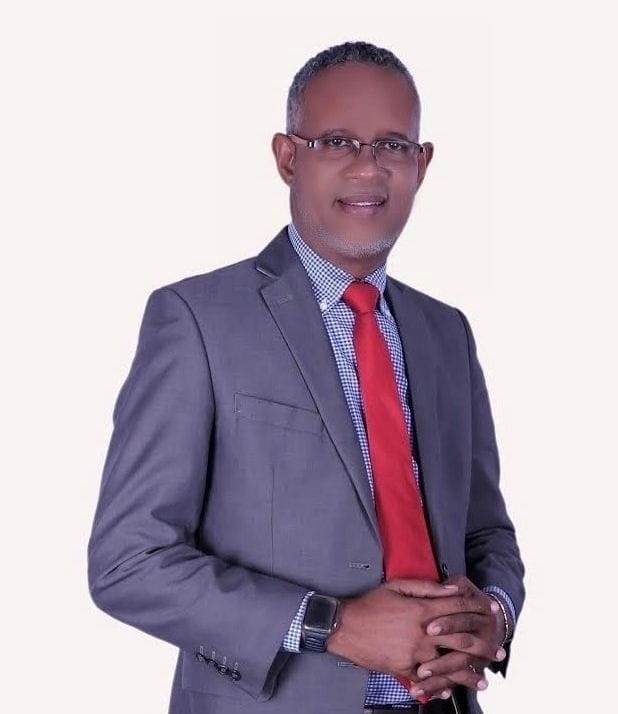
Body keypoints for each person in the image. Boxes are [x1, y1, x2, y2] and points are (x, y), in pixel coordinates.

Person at [87, 41, 525, 714]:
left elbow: (486, 533)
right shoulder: (198, 320)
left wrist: (493, 614)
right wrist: (332, 625)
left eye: (393, 145)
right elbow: (128, 561)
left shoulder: (446, 334)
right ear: (288, 157)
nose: (368, 167)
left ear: (422, 163)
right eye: (337, 142)